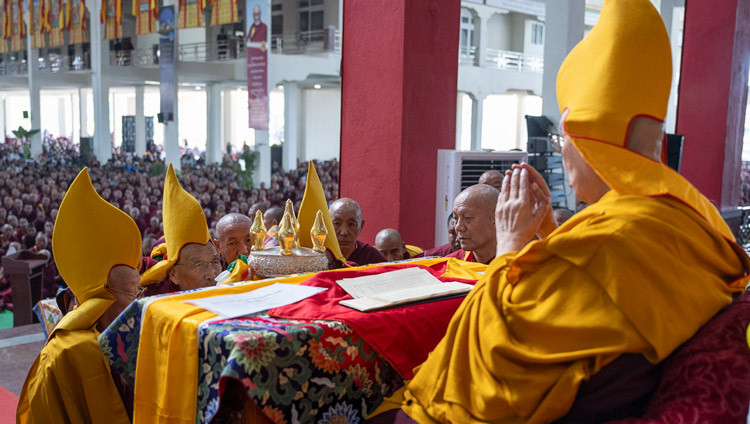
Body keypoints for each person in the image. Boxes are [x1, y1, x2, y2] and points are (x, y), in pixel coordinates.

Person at [388, 2, 750, 423]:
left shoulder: (612, 240)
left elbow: (500, 358)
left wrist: (509, 246)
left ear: (589, 141)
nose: (562, 153)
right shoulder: (688, 218)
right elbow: (587, 305)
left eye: (564, 139)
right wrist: (549, 240)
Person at [17, 168, 143, 423]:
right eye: (132, 292)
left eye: (140, 290)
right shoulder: (68, 352)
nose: (138, 300)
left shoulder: (134, 330)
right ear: (103, 297)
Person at [141, 165, 221, 292]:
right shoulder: (154, 299)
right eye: (198, 265)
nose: (212, 275)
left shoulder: (230, 278)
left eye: (215, 262)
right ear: (173, 275)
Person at [445, 184, 499, 264]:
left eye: (467, 218)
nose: (459, 227)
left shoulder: (518, 268)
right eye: (455, 218)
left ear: (495, 219)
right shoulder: (451, 265)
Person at [329, 198, 386, 266]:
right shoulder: (320, 255)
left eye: (351, 224)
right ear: (328, 225)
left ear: (361, 226)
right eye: (337, 223)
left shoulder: (372, 257)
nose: (344, 233)